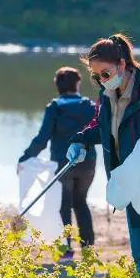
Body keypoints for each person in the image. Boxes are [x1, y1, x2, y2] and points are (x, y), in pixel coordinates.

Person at [67, 33, 140, 278]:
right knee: (139, 251)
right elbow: (101, 126)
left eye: (105, 73)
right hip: (129, 181)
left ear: (121, 64)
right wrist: (80, 141)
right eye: (96, 76)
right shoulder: (108, 95)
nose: (101, 80)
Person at [18, 67, 97, 261]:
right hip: (87, 163)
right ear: (78, 84)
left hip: (62, 163)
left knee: (63, 206)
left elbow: (43, 138)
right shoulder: (89, 106)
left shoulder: (54, 107)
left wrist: (26, 157)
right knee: (81, 203)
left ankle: (66, 251)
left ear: (57, 86)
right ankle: (88, 251)